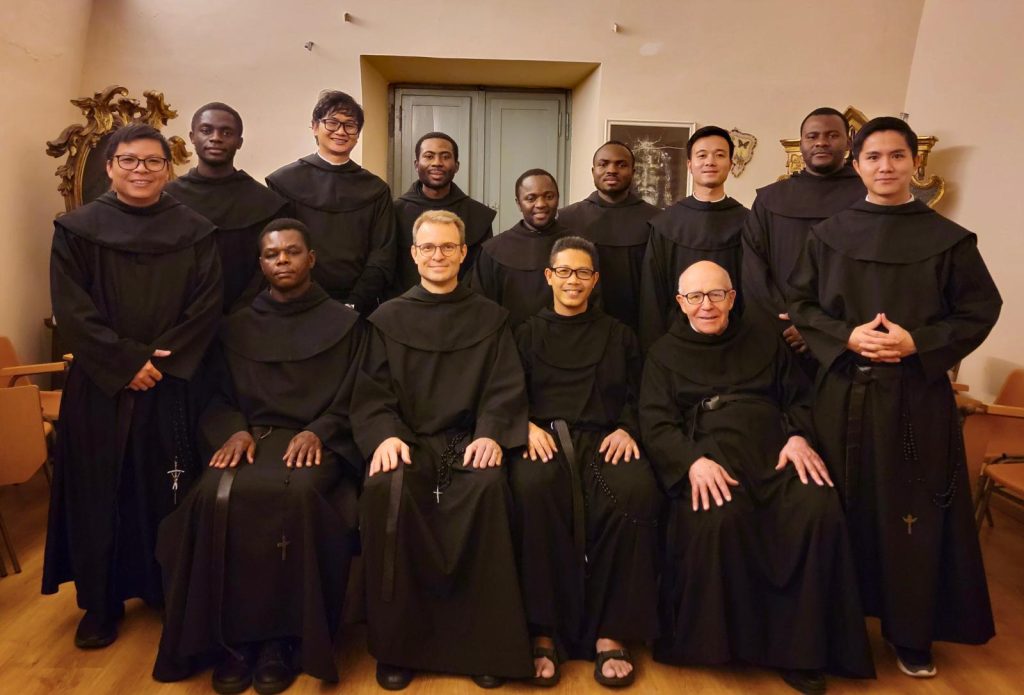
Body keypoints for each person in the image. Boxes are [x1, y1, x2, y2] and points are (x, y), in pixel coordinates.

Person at [788, 116, 1000, 679]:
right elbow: (802, 305)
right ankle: (835, 627)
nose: (885, 166)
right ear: (857, 165)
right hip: (842, 395)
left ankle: (910, 633)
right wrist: (847, 336)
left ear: (914, 163)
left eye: (897, 156)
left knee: (912, 518)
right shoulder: (827, 235)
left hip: (916, 400)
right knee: (837, 510)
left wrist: (917, 343)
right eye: (874, 157)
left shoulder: (948, 240)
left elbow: (980, 309)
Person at [640, 261, 874, 695]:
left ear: (732, 297)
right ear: (680, 303)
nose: (706, 305)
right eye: (695, 297)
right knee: (720, 517)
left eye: (716, 295)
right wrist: (691, 462)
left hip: (776, 454)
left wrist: (799, 437)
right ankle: (726, 645)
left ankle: (803, 652)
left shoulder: (766, 340)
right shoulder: (662, 354)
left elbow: (801, 399)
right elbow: (656, 425)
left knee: (817, 509)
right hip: (711, 459)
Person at [153, 219, 364, 694]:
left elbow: (357, 396)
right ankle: (230, 640)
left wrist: (320, 431)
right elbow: (217, 395)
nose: (282, 260)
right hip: (252, 437)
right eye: (272, 254)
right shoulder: (236, 328)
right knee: (212, 494)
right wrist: (232, 431)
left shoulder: (347, 325)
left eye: (292, 252)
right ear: (261, 263)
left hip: (318, 443)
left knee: (298, 496)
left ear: (312, 258)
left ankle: (283, 641)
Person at [43, 124, 223, 649]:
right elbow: (71, 308)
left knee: (166, 488)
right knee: (101, 491)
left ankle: (164, 588)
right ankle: (101, 604)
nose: (140, 170)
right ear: (110, 167)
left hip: (170, 385)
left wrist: (159, 361)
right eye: (129, 160)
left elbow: (207, 304)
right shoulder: (77, 230)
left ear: (168, 169)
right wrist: (125, 362)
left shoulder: (195, 230)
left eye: (152, 161)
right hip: (102, 386)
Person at [353, 210, 533, 690]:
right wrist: (384, 434)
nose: (438, 255)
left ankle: (484, 648)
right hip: (407, 442)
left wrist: (491, 433)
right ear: (414, 255)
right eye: (428, 247)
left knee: (489, 489)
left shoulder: (490, 317)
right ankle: (398, 648)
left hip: (467, 442)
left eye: (448, 247)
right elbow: (371, 395)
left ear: (463, 253)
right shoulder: (386, 319)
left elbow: (503, 387)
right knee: (386, 490)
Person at [511, 236, 661, 688]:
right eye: (564, 271)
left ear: (595, 280)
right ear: (549, 276)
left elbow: (641, 394)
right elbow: (505, 392)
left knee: (635, 492)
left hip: (605, 440)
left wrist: (629, 428)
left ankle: (611, 631)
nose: (572, 281)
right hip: (544, 440)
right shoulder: (525, 334)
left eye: (582, 273)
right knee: (532, 490)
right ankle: (543, 630)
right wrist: (523, 426)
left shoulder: (620, 335)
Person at [741, 107, 864, 367]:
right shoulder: (769, 199)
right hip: (780, 337)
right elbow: (754, 269)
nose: (821, 142)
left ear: (849, 142)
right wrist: (790, 321)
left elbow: (868, 276)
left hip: (846, 341)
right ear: (801, 143)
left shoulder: (867, 199)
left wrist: (820, 330)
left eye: (832, 135)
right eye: (812, 136)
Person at [266, 90, 395, 314]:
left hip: (359, 306)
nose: (341, 131)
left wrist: (355, 303)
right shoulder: (283, 183)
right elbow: (278, 250)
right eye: (332, 123)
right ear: (315, 127)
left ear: (357, 134)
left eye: (350, 125)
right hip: (297, 304)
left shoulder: (376, 189)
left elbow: (382, 254)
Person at [165, 102, 289, 311]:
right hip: (179, 315)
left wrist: (242, 315)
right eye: (206, 130)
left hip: (250, 318)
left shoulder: (267, 203)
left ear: (239, 142)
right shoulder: (167, 199)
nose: (216, 138)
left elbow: (267, 271)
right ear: (192, 137)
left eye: (226, 132)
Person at [639, 126, 748, 349]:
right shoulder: (666, 224)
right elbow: (652, 294)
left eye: (719, 155)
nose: (710, 162)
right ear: (690, 164)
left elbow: (755, 291)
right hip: (676, 340)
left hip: (737, 341)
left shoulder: (749, 222)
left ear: (731, 163)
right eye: (702, 155)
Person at [557, 141, 659, 334]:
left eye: (621, 164)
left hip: (638, 327)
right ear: (593, 171)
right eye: (603, 164)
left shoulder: (655, 220)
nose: (611, 170)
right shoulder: (568, 219)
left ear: (633, 172)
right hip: (581, 328)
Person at [391, 131, 494, 294]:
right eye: (429, 156)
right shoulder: (393, 212)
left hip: (463, 304)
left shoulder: (478, 215)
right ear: (416, 165)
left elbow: (480, 273)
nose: (437, 163)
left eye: (445, 157)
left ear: (457, 166)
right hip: (404, 304)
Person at [469, 168, 573, 327]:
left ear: (558, 198)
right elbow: (483, 310)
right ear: (519, 203)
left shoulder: (577, 246)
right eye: (531, 198)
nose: (541, 204)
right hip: (509, 340)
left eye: (549, 196)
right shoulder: (493, 250)